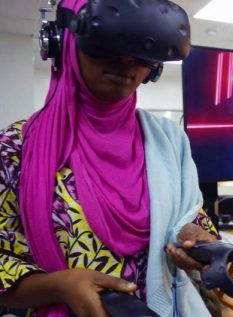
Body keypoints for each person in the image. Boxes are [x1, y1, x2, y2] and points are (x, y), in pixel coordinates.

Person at [0, 0, 221, 316]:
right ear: (63, 42)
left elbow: (190, 216)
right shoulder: (16, 147)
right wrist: (58, 285)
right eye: (107, 44)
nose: (127, 61)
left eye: (143, 50)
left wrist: (196, 239)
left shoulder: (169, 140)